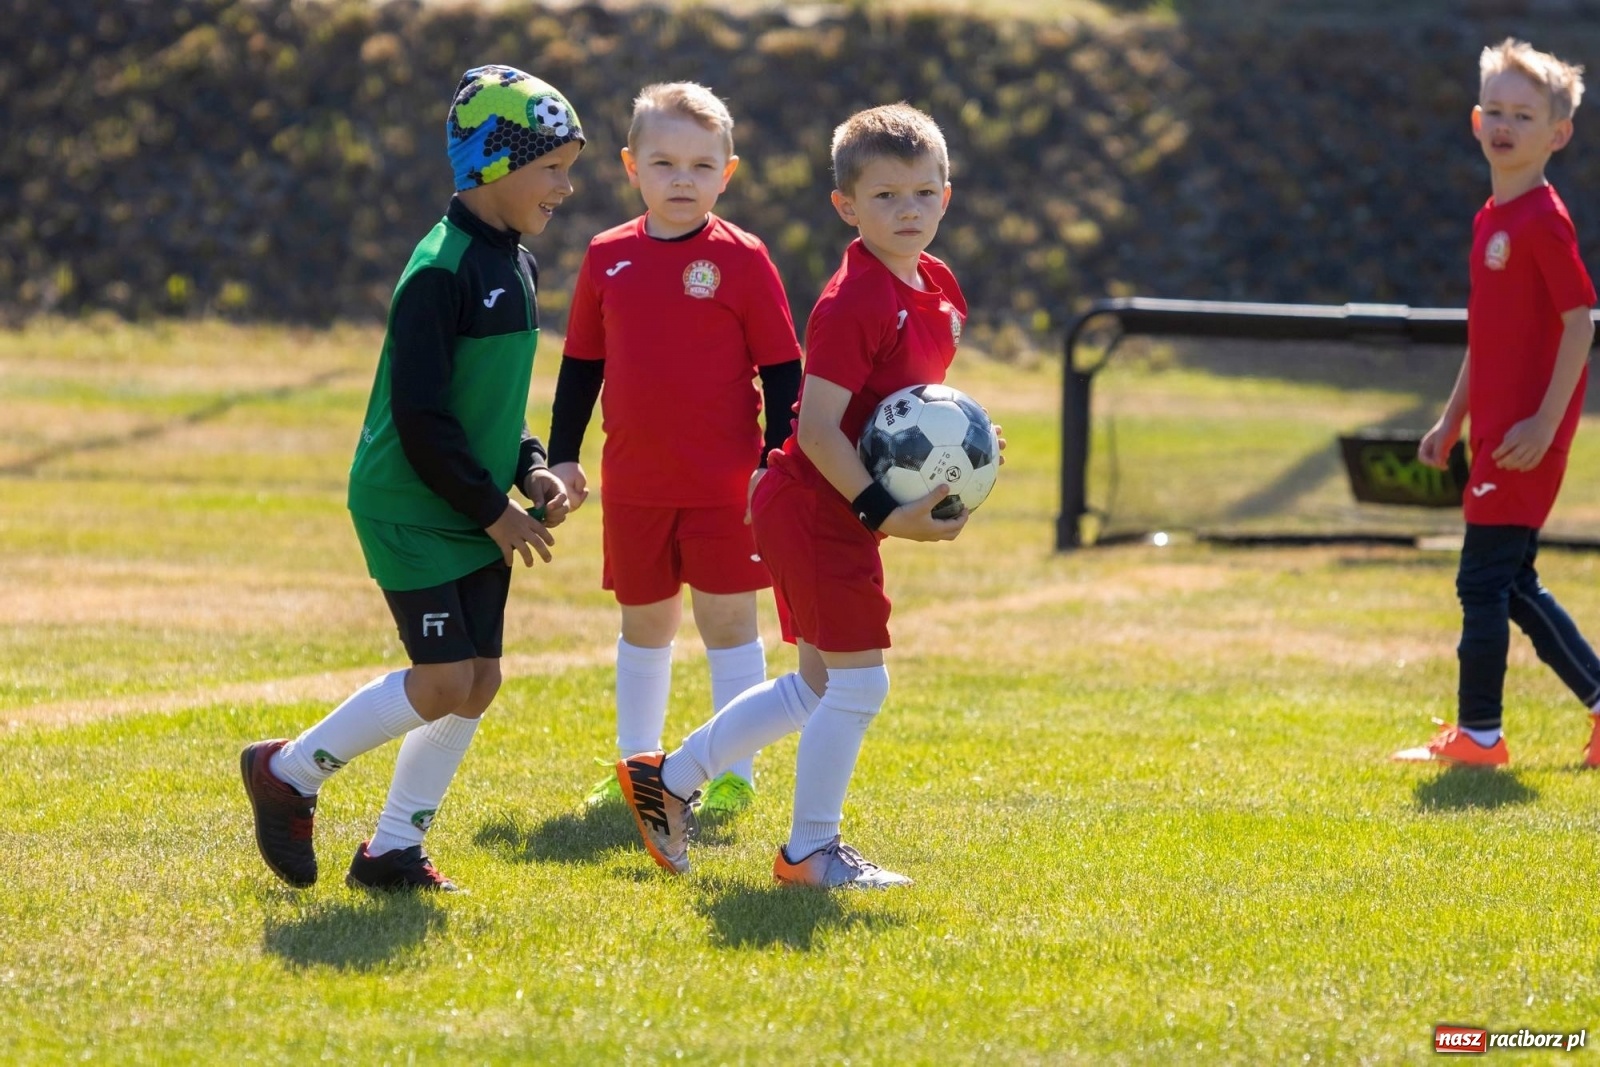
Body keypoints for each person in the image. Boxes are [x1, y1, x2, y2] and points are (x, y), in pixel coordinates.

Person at [616, 102, 1001, 887]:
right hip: (816, 503)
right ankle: (809, 852)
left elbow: (914, 408)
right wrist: (886, 512)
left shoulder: (938, 284)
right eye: (886, 196)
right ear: (846, 207)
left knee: (818, 684)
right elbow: (820, 429)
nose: (909, 210)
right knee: (861, 685)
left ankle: (670, 779)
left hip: (834, 507)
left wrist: (963, 461)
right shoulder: (853, 298)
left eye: (925, 193)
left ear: (947, 196)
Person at [240, 65, 584, 891]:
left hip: (473, 501)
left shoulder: (519, 265)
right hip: (412, 503)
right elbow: (425, 421)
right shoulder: (440, 269)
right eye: (553, 168)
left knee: (479, 682)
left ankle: (392, 849)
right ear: (494, 165)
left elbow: (490, 407)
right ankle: (287, 772)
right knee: (440, 681)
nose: (565, 188)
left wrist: (531, 470)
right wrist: (493, 509)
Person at [547, 83, 804, 815]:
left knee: (728, 625)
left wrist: (773, 464)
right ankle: (637, 766)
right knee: (645, 624)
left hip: (727, 487)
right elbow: (581, 366)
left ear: (727, 172)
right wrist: (563, 453)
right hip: (634, 483)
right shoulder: (606, 257)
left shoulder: (746, 259)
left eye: (700, 165)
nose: (681, 179)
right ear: (632, 167)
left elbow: (785, 371)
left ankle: (733, 773)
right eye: (664, 163)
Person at [1394, 38, 1600, 768]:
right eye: (1498, 111)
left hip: (1524, 440)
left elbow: (1582, 322)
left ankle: (1480, 734)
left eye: (1526, 113)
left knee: (1481, 580)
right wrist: (1453, 419)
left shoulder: (1543, 220)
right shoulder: (1492, 218)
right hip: (1498, 435)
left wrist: (1546, 424)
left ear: (1558, 133)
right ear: (1476, 121)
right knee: (1512, 583)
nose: (1507, 124)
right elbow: (1486, 338)